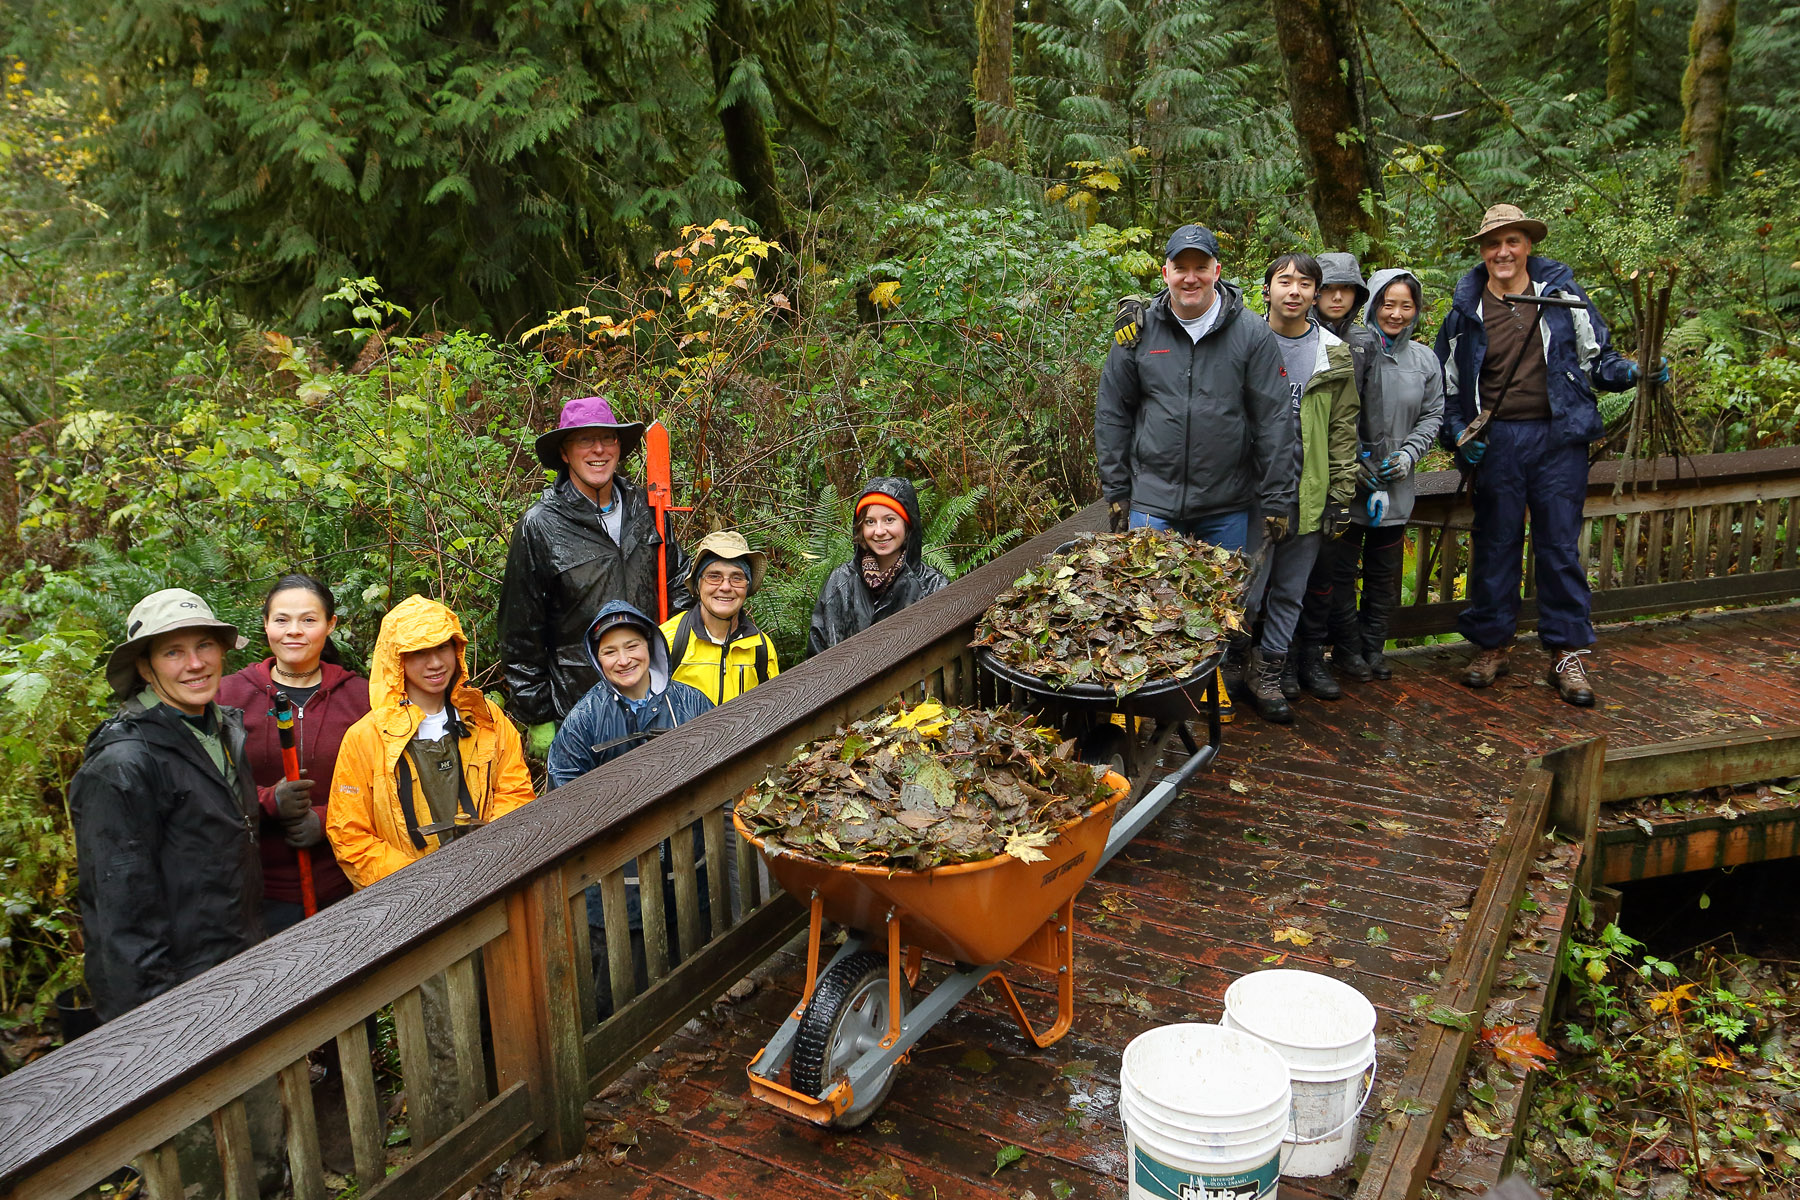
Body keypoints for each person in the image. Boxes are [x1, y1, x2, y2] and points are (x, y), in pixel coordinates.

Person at [1436, 204, 1644, 706]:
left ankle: (1566, 653)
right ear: (1482, 252)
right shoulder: (1465, 313)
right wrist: (1460, 436)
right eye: (1492, 244)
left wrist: (1632, 372)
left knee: (1557, 546)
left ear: (1528, 245)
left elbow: (1598, 361)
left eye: (1512, 242)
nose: (1502, 252)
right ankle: (1491, 645)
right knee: (1496, 543)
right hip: (1499, 442)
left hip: (1559, 440)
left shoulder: (1564, 299)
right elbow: (1447, 391)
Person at [68, 589, 262, 1023]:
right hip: (177, 1000)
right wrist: (160, 1023)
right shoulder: (122, 764)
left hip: (238, 970)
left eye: (204, 645)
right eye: (173, 652)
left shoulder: (222, 731)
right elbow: (123, 917)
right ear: (144, 666)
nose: (195, 664)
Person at [547, 602, 714, 1016]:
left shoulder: (689, 703)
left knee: (688, 955)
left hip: (687, 867)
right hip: (615, 883)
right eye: (610, 651)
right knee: (619, 984)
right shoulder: (585, 718)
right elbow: (562, 795)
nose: (624, 660)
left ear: (652, 646)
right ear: (596, 657)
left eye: (633, 646)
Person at [497, 395, 692, 740]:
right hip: (579, 704)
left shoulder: (647, 509)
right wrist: (537, 713)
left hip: (656, 695)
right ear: (564, 452)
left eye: (608, 439)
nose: (598, 450)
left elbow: (677, 586)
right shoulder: (540, 526)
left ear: (619, 446)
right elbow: (520, 632)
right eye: (585, 440)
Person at [1096, 224, 1295, 552]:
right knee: (1148, 601)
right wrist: (1117, 491)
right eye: (1181, 268)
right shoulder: (1136, 332)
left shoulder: (1250, 333)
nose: (1191, 278)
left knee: (1222, 602)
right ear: (1165, 273)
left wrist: (1277, 498)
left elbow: (1274, 419)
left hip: (1225, 507)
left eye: (1201, 267)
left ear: (1216, 271)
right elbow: (1112, 414)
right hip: (1152, 505)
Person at [327, 595, 536, 888]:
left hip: (492, 882)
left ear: (457, 649)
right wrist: (419, 884)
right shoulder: (365, 738)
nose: (435, 663)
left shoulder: (486, 719)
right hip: (409, 905)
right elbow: (350, 835)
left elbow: (515, 793)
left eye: (442, 647)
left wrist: (489, 857)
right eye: (420, 652)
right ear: (397, 659)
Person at [1240, 252, 1360, 724]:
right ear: (1266, 289)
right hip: (1249, 491)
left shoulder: (1333, 352)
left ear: (1316, 294)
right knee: (1245, 588)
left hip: (1307, 488)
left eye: (1305, 283)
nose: (1295, 290)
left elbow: (1343, 428)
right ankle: (1230, 667)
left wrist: (1340, 495)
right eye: (1284, 281)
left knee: (1291, 590)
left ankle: (1266, 672)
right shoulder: (1245, 339)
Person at [218, 574, 370, 933]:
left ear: (331, 624)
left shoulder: (362, 697)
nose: (294, 631)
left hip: (348, 885)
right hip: (254, 897)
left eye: (309, 620)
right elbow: (205, 785)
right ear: (266, 624)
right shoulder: (228, 697)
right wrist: (268, 801)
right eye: (282, 620)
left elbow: (387, 786)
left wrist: (327, 818)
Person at [1321, 269, 1445, 682]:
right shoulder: (1348, 348)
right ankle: (1347, 650)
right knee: (1339, 573)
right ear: (1372, 303)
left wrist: (1409, 455)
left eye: (1405, 305)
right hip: (1347, 484)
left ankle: (1374, 649)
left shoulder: (1425, 360)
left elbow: (1433, 415)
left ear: (1416, 310)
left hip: (1396, 488)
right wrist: (1353, 463)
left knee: (1382, 574)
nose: (1395, 313)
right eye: (1387, 304)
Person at [1295, 251, 1381, 687]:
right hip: (1293, 469)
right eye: (1327, 288)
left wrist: (1374, 462)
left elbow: (1365, 412)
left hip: (1341, 469)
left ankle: (1318, 656)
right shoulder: (1290, 334)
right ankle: (1282, 661)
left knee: (1330, 571)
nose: (1336, 297)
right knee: (1282, 576)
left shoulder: (1363, 343)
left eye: (1346, 289)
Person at [808, 477, 950, 656]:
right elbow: (817, 651)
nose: (880, 531)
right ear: (860, 528)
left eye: (889, 520)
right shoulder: (840, 583)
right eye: (870, 522)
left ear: (907, 525)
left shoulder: (932, 586)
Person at [659, 530, 781, 705]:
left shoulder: (760, 648)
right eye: (714, 577)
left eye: (737, 577)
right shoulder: (668, 641)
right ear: (698, 583)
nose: (725, 587)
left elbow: (772, 712)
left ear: (747, 586)